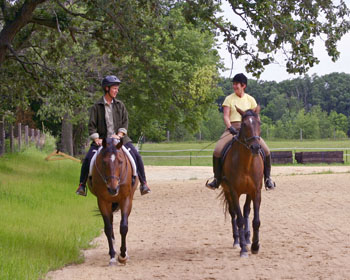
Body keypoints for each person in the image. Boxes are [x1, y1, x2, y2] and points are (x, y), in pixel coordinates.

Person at [76, 75, 151, 196]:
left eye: (117, 89)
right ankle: (82, 185)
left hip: (120, 139)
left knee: (136, 155)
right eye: (114, 88)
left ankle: (144, 184)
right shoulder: (96, 107)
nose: (117, 91)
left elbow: (125, 121)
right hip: (103, 141)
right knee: (88, 159)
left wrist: (120, 134)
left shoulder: (120, 105)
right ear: (107, 88)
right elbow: (92, 125)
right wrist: (96, 138)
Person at [206, 73, 275, 190]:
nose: (234, 87)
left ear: (243, 86)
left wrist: (256, 130)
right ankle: (217, 179)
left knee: (267, 151)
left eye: (236, 84)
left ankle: (267, 178)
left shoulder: (250, 99)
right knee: (217, 150)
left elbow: (256, 117)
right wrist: (229, 127)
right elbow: (226, 116)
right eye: (233, 84)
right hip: (233, 128)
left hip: (249, 130)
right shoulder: (229, 99)